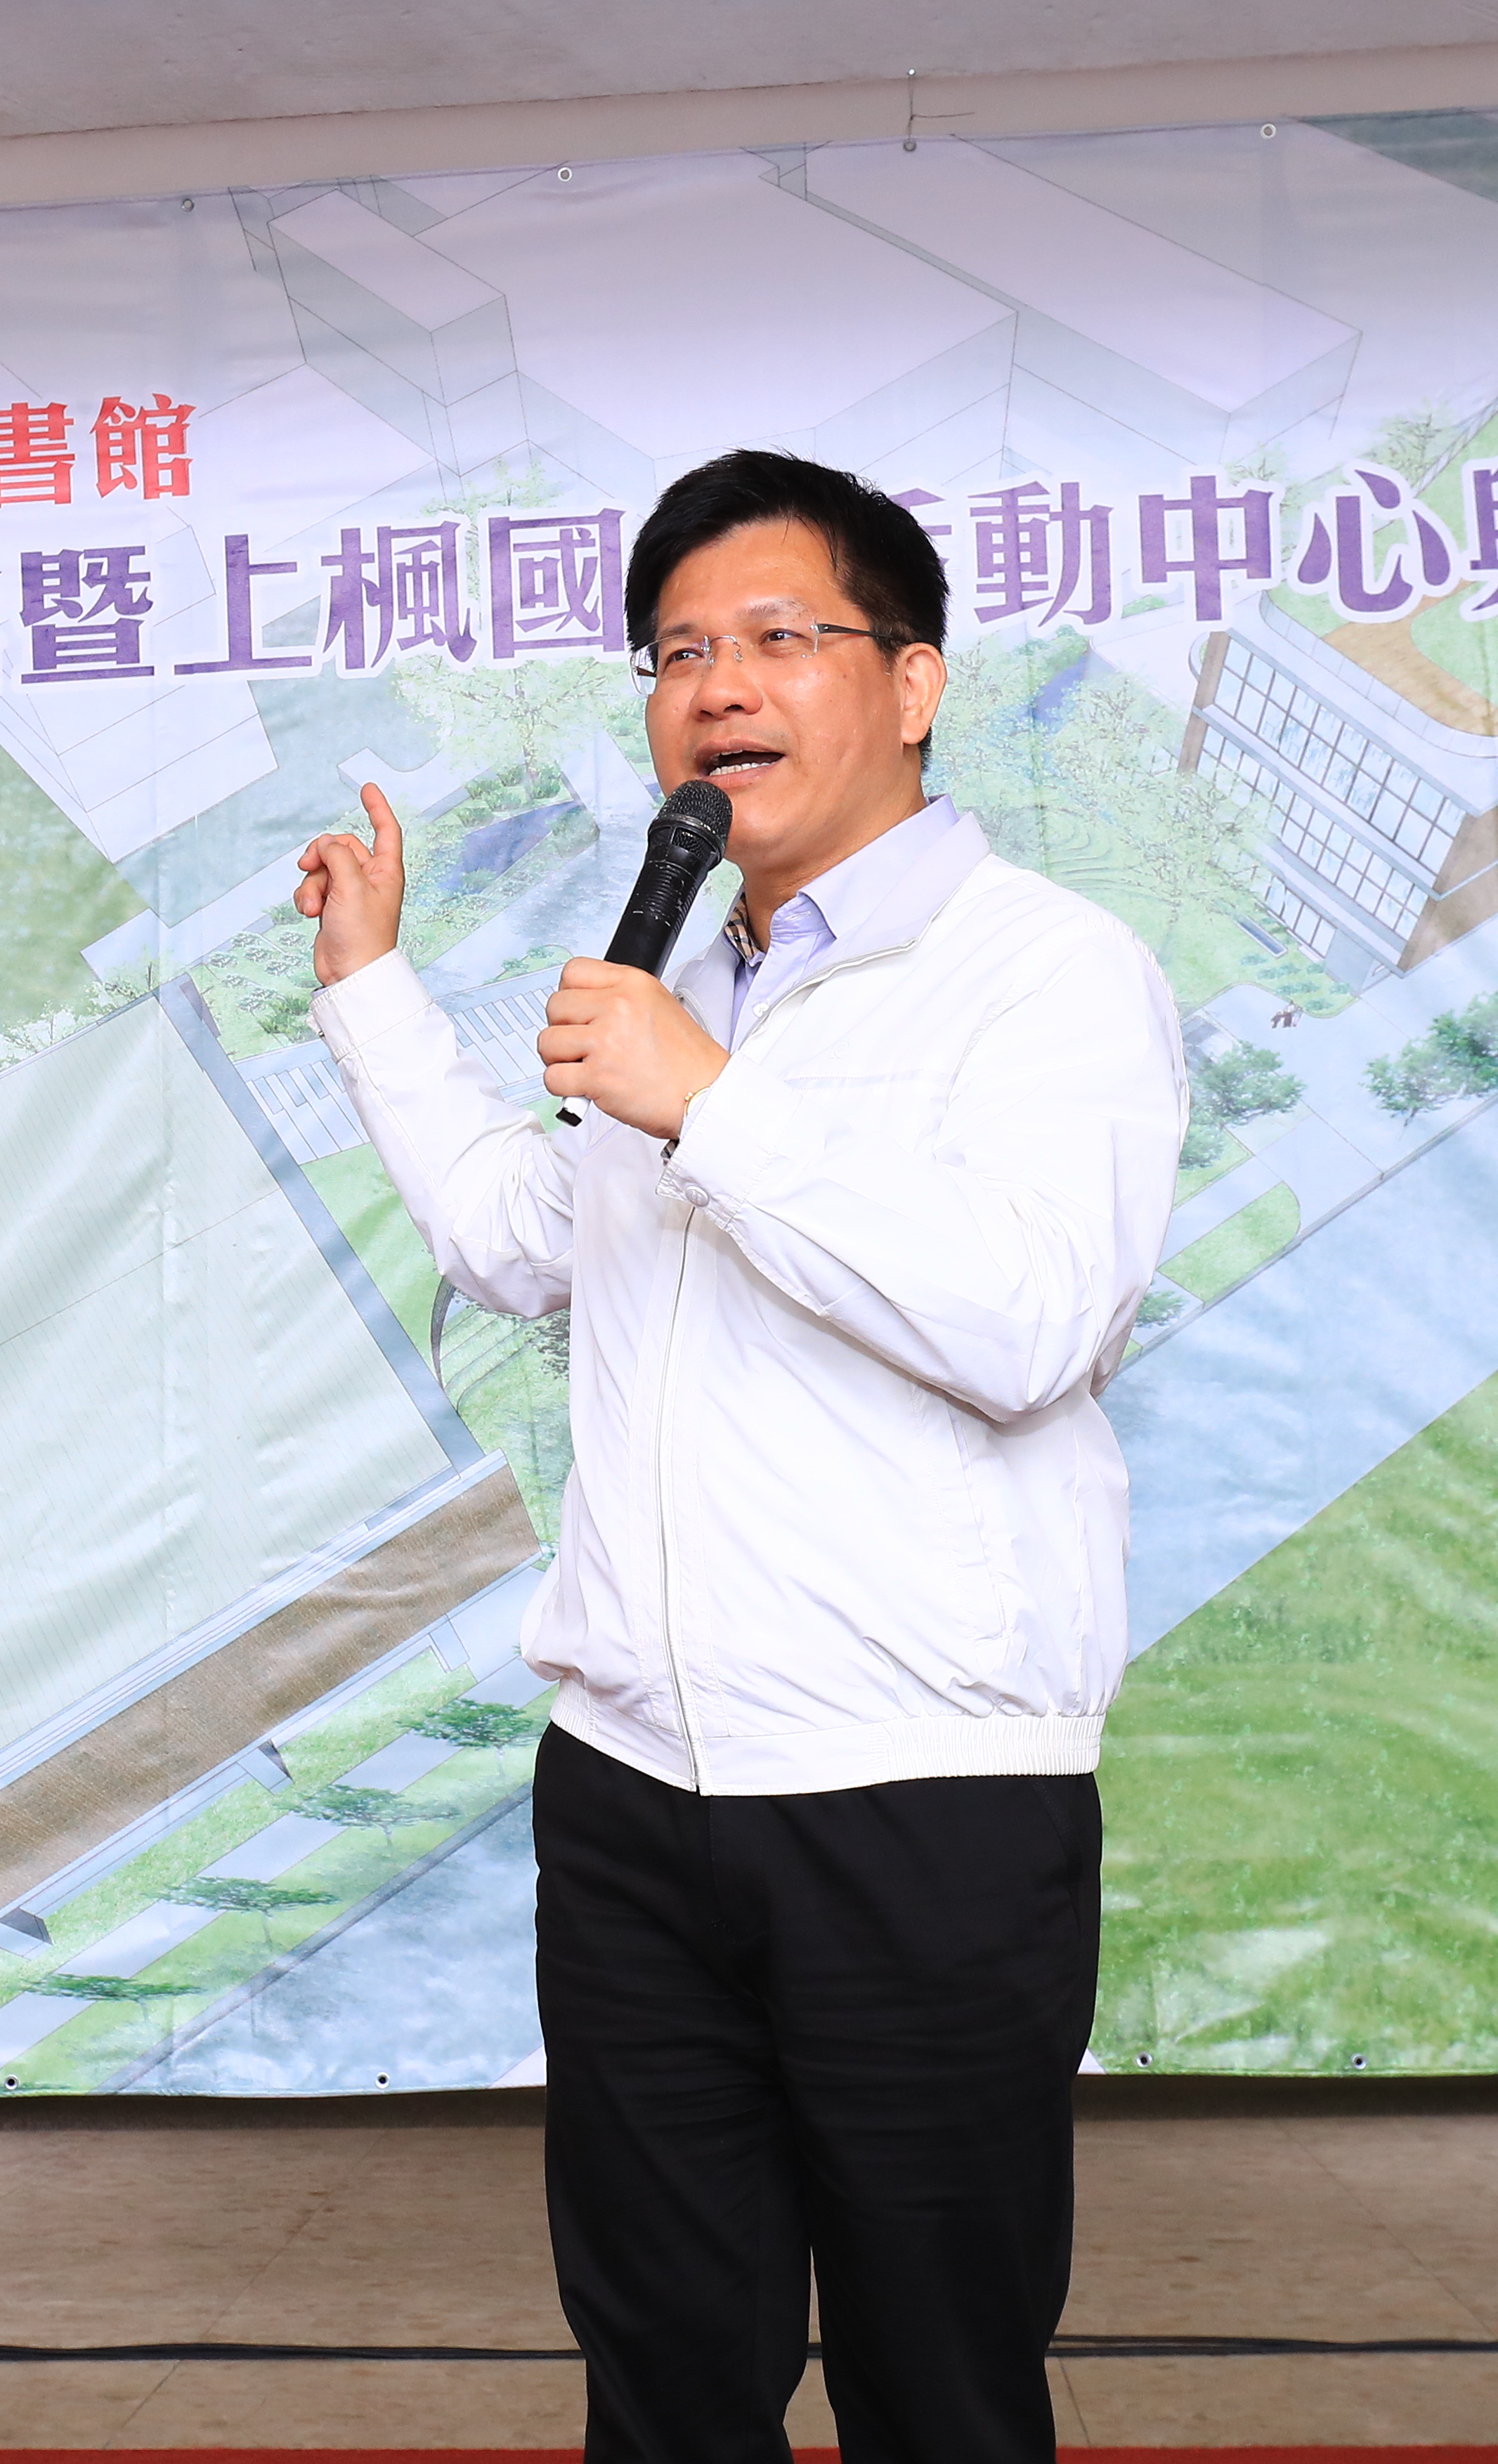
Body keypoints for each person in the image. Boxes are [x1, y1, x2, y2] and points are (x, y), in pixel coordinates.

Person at [297, 450, 1187, 2463]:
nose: (717, 688)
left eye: (780, 637)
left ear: (915, 682)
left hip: (918, 1800)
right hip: (633, 1798)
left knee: (937, 2391)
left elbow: (1032, 1320)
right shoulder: (685, 983)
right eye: (679, 652)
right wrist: (370, 994)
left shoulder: (1046, 971)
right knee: (664, 2383)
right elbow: (521, 1244)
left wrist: (714, 1108)